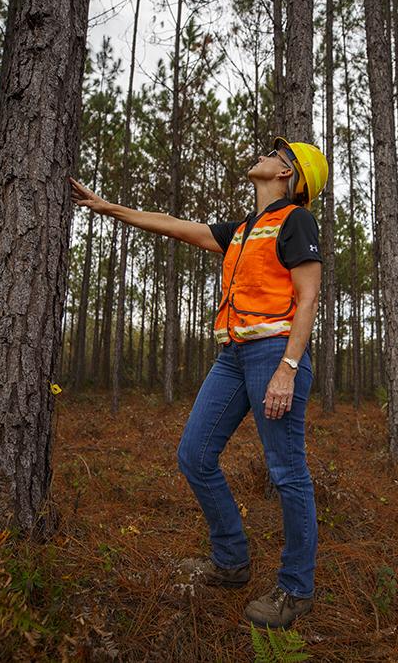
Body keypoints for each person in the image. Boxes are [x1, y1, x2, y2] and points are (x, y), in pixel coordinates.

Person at [67, 136, 328, 629]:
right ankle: (231, 561)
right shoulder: (246, 228)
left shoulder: (296, 221)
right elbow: (173, 226)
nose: (265, 154)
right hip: (233, 356)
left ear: (287, 175)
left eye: (277, 153)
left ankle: (296, 589)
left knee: (287, 472)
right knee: (194, 454)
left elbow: (309, 297)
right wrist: (107, 207)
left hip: (275, 353)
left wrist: (287, 369)